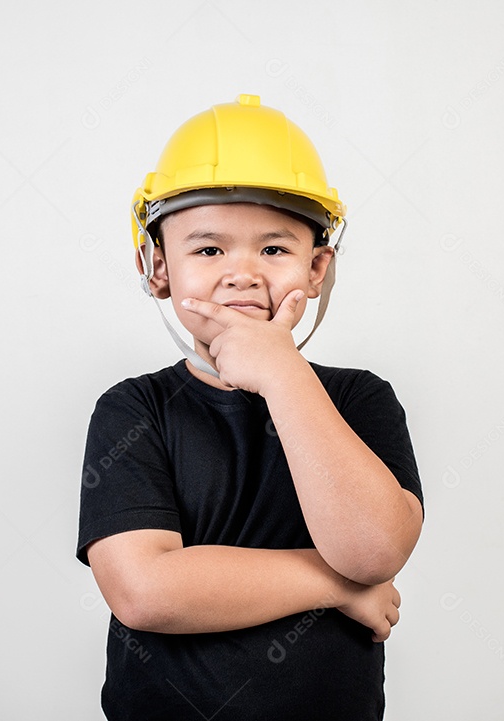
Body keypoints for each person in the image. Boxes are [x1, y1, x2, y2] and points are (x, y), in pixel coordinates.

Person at [76, 94, 424, 721]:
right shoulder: (135, 410)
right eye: (208, 250)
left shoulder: (359, 399)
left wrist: (281, 372)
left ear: (317, 267)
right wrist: (336, 585)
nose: (241, 273)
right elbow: (145, 590)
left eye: (274, 249)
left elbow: (373, 551)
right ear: (157, 266)